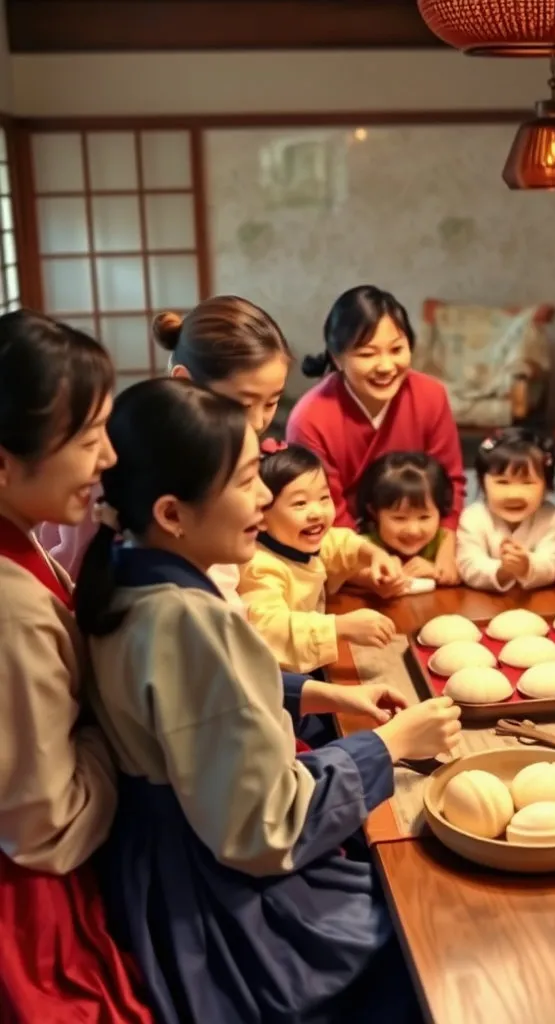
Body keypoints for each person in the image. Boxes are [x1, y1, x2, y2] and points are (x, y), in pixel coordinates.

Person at [76, 376, 461, 1022]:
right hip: (219, 898)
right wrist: (388, 747)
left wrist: (318, 691)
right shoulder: (190, 622)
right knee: (424, 922)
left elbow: (201, 710)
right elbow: (264, 828)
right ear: (172, 513)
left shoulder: (125, 569)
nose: (265, 499)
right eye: (249, 481)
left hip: (173, 853)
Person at [0, 311, 153, 1022]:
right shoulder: (13, 611)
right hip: (31, 905)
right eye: (90, 439)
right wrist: (117, 734)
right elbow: (43, 825)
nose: (110, 460)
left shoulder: (24, 545)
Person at [39, 294, 292, 607]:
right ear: (184, 380)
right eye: (241, 404)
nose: (257, 423)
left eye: (271, 403)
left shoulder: (229, 447)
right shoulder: (130, 455)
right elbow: (78, 571)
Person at [286, 285, 464, 588]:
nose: (385, 366)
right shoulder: (310, 418)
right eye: (368, 354)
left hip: (422, 542)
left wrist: (446, 548)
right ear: (338, 357)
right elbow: (324, 515)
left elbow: (452, 482)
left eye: (397, 349)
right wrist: (367, 569)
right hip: (346, 554)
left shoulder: (430, 395)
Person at [238, 441, 402, 674]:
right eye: (300, 503)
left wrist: (375, 555)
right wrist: (340, 627)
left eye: (324, 498)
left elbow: (338, 542)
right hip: (280, 681)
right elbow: (270, 629)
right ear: (261, 516)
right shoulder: (260, 567)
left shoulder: (295, 540)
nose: (316, 512)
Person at [457, 427, 555, 591]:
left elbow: (554, 562)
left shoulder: (551, 517)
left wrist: (526, 566)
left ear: (546, 487)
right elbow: (468, 564)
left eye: (527, 483)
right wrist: (503, 570)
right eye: (502, 482)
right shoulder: (474, 517)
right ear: (482, 483)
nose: (513, 494)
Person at [357, 451, 458, 585]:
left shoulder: (443, 543)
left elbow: (462, 574)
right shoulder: (363, 546)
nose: (413, 530)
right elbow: (344, 573)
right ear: (374, 512)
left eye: (424, 517)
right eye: (400, 518)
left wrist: (437, 573)